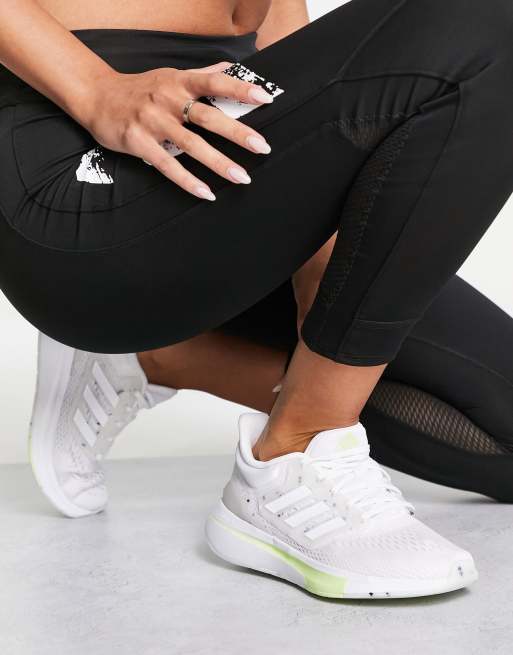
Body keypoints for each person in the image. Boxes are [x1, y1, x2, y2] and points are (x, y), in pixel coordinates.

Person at [1, 0, 513, 599]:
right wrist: (96, 89)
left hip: (231, 137)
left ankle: (166, 357)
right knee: (487, 22)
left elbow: (292, 45)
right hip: (74, 145)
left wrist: (326, 236)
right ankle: (295, 453)